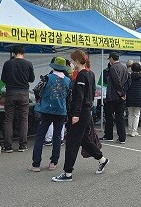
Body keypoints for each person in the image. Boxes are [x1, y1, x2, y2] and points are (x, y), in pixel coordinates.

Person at [52, 50, 109, 182]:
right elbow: (92, 93)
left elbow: (80, 97)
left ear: (77, 61)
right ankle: (102, 159)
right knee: (83, 139)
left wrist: (76, 114)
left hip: (80, 112)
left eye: (72, 60)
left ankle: (67, 173)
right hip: (86, 111)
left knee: (72, 142)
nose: (71, 63)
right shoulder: (90, 74)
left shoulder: (82, 76)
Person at [29, 57, 71, 172]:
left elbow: (36, 90)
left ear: (53, 66)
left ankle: (36, 164)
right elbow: (69, 97)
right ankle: (53, 162)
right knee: (57, 137)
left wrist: (41, 99)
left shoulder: (46, 78)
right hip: (61, 111)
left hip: (46, 110)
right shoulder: (68, 80)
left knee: (40, 136)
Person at [0, 45, 35, 153]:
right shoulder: (28, 64)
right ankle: (23, 145)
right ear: (23, 53)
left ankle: (8, 146)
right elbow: (32, 79)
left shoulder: (7, 63)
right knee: (24, 119)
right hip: (24, 93)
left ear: (14, 53)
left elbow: (3, 79)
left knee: (8, 119)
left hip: (10, 93)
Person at [103, 52, 128, 143]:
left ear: (112, 58)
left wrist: (120, 92)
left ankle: (109, 136)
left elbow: (116, 81)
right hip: (122, 96)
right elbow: (127, 81)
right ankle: (122, 137)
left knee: (109, 117)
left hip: (113, 96)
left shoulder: (113, 67)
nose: (109, 60)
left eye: (110, 58)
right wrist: (124, 93)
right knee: (120, 117)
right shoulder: (124, 67)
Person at [126, 63, 141, 137]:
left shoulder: (128, 77)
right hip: (138, 98)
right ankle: (134, 131)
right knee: (136, 115)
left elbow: (126, 87)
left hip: (129, 97)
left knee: (130, 114)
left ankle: (129, 130)